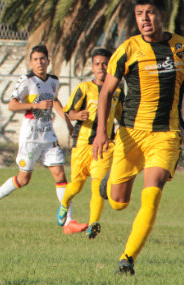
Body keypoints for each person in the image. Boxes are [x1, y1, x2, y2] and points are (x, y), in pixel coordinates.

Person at [92, 0, 184, 276]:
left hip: (166, 136)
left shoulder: (181, 46)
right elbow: (106, 93)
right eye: (139, 14)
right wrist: (102, 132)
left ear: (162, 15)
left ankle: (127, 260)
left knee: (151, 195)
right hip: (130, 134)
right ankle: (107, 186)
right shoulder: (128, 49)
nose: (145, 19)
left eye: (150, 12)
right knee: (118, 203)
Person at [0, 44, 86, 233]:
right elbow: (12, 105)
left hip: (48, 135)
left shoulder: (53, 80)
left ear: (48, 60)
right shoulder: (26, 81)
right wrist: (35, 106)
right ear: (31, 62)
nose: (39, 62)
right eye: (36, 59)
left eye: (42, 59)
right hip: (30, 136)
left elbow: (54, 101)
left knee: (60, 175)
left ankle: (69, 221)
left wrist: (68, 123)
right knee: (23, 179)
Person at [56, 47, 124, 238]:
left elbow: (122, 116)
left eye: (105, 64)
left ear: (110, 66)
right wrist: (77, 115)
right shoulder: (84, 88)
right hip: (82, 146)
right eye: (97, 64)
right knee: (76, 185)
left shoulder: (118, 90)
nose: (101, 67)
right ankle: (64, 204)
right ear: (92, 68)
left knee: (97, 186)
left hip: (104, 146)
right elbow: (68, 112)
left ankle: (93, 223)